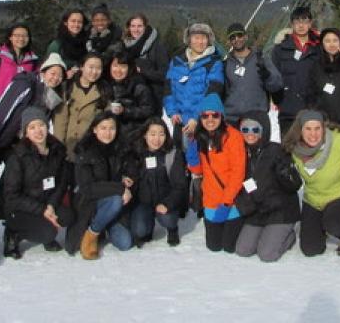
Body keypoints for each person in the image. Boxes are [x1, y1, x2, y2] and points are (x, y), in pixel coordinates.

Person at [0, 53, 67, 219]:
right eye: (53, 73)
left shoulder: (51, 95)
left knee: (13, 172)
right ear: (43, 72)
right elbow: (3, 111)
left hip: (17, 140)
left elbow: (43, 121)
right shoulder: (26, 84)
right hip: (0, 133)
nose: (56, 78)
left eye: (60, 75)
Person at [283, 109, 340, 257]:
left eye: (317, 128)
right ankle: (324, 224)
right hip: (314, 200)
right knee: (311, 249)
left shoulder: (339, 142)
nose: (313, 134)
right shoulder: (295, 149)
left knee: (333, 221)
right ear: (300, 130)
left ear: (324, 128)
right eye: (308, 129)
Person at [2, 107, 74, 258]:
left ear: (47, 127)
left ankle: (44, 228)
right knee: (47, 232)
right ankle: (13, 234)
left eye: (41, 125)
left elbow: (62, 182)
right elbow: (12, 196)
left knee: (68, 216)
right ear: (25, 132)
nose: (38, 131)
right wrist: (42, 210)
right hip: (21, 208)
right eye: (32, 127)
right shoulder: (18, 157)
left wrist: (51, 205)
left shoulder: (57, 150)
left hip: (47, 202)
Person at [65, 112, 137, 259]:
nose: (108, 133)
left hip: (113, 207)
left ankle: (106, 224)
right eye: (103, 128)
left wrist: (129, 177)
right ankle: (91, 234)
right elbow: (87, 187)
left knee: (125, 243)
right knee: (116, 199)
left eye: (112, 128)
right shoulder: (84, 150)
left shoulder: (121, 147)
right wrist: (120, 188)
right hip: (90, 205)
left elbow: (132, 166)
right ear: (94, 129)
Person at [234, 110, 302, 262]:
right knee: (242, 250)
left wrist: (285, 171)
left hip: (280, 212)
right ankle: (268, 234)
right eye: (245, 129)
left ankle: (288, 237)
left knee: (267, 255)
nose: (249, 133)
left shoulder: (276, 151)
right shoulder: (240, 152)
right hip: (257, 210)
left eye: (255, 129)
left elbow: (295, 184)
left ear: (263, 131)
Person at [186, 94, 246, 253]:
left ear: (222, 116)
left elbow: (237, 173)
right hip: (211, 200)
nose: (210, 119)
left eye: (215, 115)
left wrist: (226, 202)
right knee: (214, 246)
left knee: (229, 247)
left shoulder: (233, 136)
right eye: (205, 115)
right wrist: (192, 151)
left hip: (230, 201)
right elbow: (198, 171)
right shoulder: (201, 137)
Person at [164, 22, 224, 148]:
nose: (200, 42)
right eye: (196, 38)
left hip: (203, 122)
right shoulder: (177, 61)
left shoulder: (214, 63)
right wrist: (172, 111)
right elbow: (168, 88)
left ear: (209, 40)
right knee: (180, 159)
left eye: (203, 38)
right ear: (189, 40)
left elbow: (213, 92)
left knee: (200, 160)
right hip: (179, 122)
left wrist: (197, 117)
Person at [130, 118, 188, 247]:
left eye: (161, 134)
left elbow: (180, 185)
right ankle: (148, 226)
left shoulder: (172, 154)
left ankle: (172, 229)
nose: (157, 139)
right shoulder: (136, 154)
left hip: (165, 200)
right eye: (152, 134)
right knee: (139, 230)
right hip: (143, 202)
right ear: (145, 135)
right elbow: (132, 180)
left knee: (168, 218)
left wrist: (167, 204)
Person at [271, 6, 321, 135]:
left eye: (304, 21)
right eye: (297, 21)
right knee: (288, 150)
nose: (301, 25)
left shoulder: (319, 48)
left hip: (313, 110)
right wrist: (279, 100)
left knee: (312, 151)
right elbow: (274, 78)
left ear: (310, 23)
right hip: (288, 110)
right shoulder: (280, 49)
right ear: (292, 24)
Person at [223, 22, 283, 126]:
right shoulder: (226, 64)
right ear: (229, 41)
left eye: (240, 35)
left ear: (246, 37)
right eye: (233, 37)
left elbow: (277, 85)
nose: (237, 39)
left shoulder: (261, 59)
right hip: (232, 120)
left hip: (257, 118)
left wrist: (267, 75)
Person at [52, 52, 109, 162]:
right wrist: (59, 147)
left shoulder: (104, 90)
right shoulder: (68, 87)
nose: (94, 72)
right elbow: (60, 121)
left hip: (91, 149)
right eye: (91, 67)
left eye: (98, 68)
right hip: (70, 144)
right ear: (82, 67)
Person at [109, 13, 169, 114]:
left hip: (153, 97)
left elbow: (165, 74)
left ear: (145, 27)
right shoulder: (125, 46)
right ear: (128, 27)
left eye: (139, 26)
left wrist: (143, 71)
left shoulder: (157, 47)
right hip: (131, 97)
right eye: (133, 26)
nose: (136, 29)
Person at [0, 23, 39, 114]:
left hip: (19, 112)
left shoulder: (32, 61)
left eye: (25, 36)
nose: (21, 39)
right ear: (10, 37)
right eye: (17, 35)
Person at [107, 49, 155, 146]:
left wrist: (125, 111)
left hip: (133, 136)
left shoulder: (139, 86)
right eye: (115, 66)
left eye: (123, 66)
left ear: (130, 68)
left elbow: (148, 110)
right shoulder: (107, 85)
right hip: (110, 135)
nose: (118, 70)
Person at [45, 9, 89, 78]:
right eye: (73, 21)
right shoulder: (56, 45)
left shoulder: (86, 43)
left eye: (79, 22)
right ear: (66, 23)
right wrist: (64, 75)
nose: (76, 24)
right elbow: (48, 70)